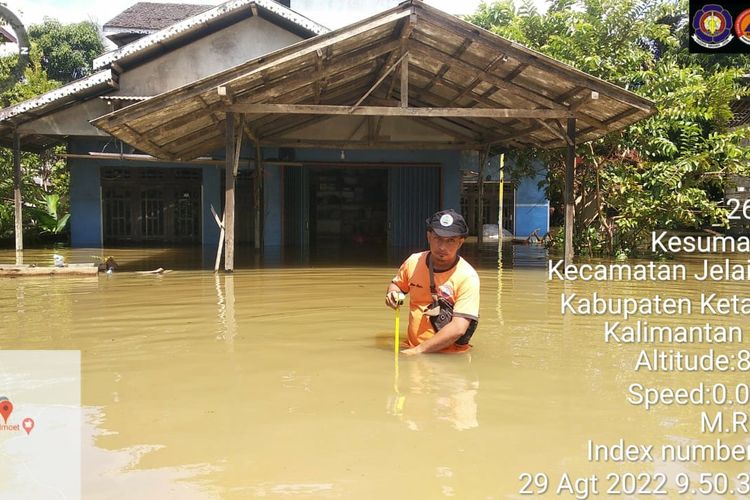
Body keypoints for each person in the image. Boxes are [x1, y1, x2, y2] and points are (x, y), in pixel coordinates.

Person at [385, 209, 480, 355]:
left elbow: (458, 328)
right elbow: (397, 285)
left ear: (460, 242)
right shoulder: (413, 262)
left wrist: (419, 350)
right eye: (438, 238)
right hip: (412, 349)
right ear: (429, 237)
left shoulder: (468, 277)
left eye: (451, 241)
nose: (442, 247)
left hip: (449, 357)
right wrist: (392, 294)